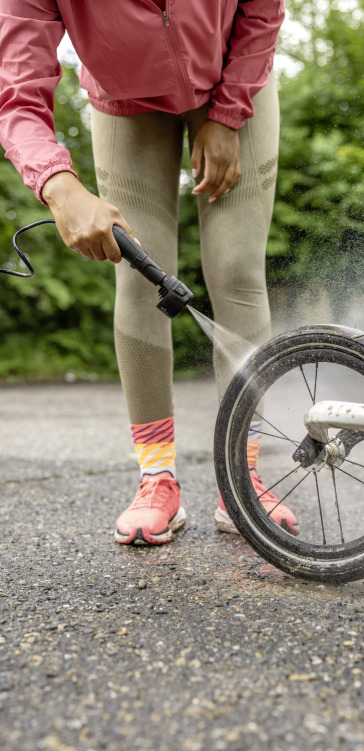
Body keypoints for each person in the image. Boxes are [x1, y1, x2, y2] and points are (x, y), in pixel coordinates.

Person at [0, 0, 298, 545]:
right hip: (125, 103)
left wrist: (228, 114)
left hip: (234, 77)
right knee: (140, 278)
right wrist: (58, 185)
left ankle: (242, 474)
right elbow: (17, 90)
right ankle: (157, 476)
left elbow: (262, 8)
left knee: (236, 270)